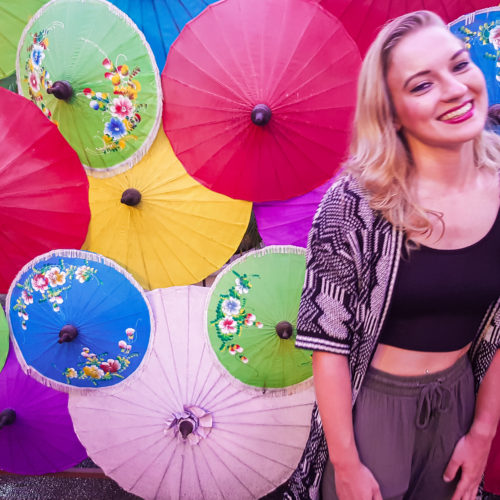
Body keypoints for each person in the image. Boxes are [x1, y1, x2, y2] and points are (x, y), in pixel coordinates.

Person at [285, 10, 500, 500]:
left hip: (459, 399)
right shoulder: (354, 205)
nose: (454, 89)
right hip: (372, 409)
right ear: (392, 113)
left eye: (460, 65)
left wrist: (483, 430)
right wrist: (346, 464)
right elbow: (329, 345)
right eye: (421, 85)